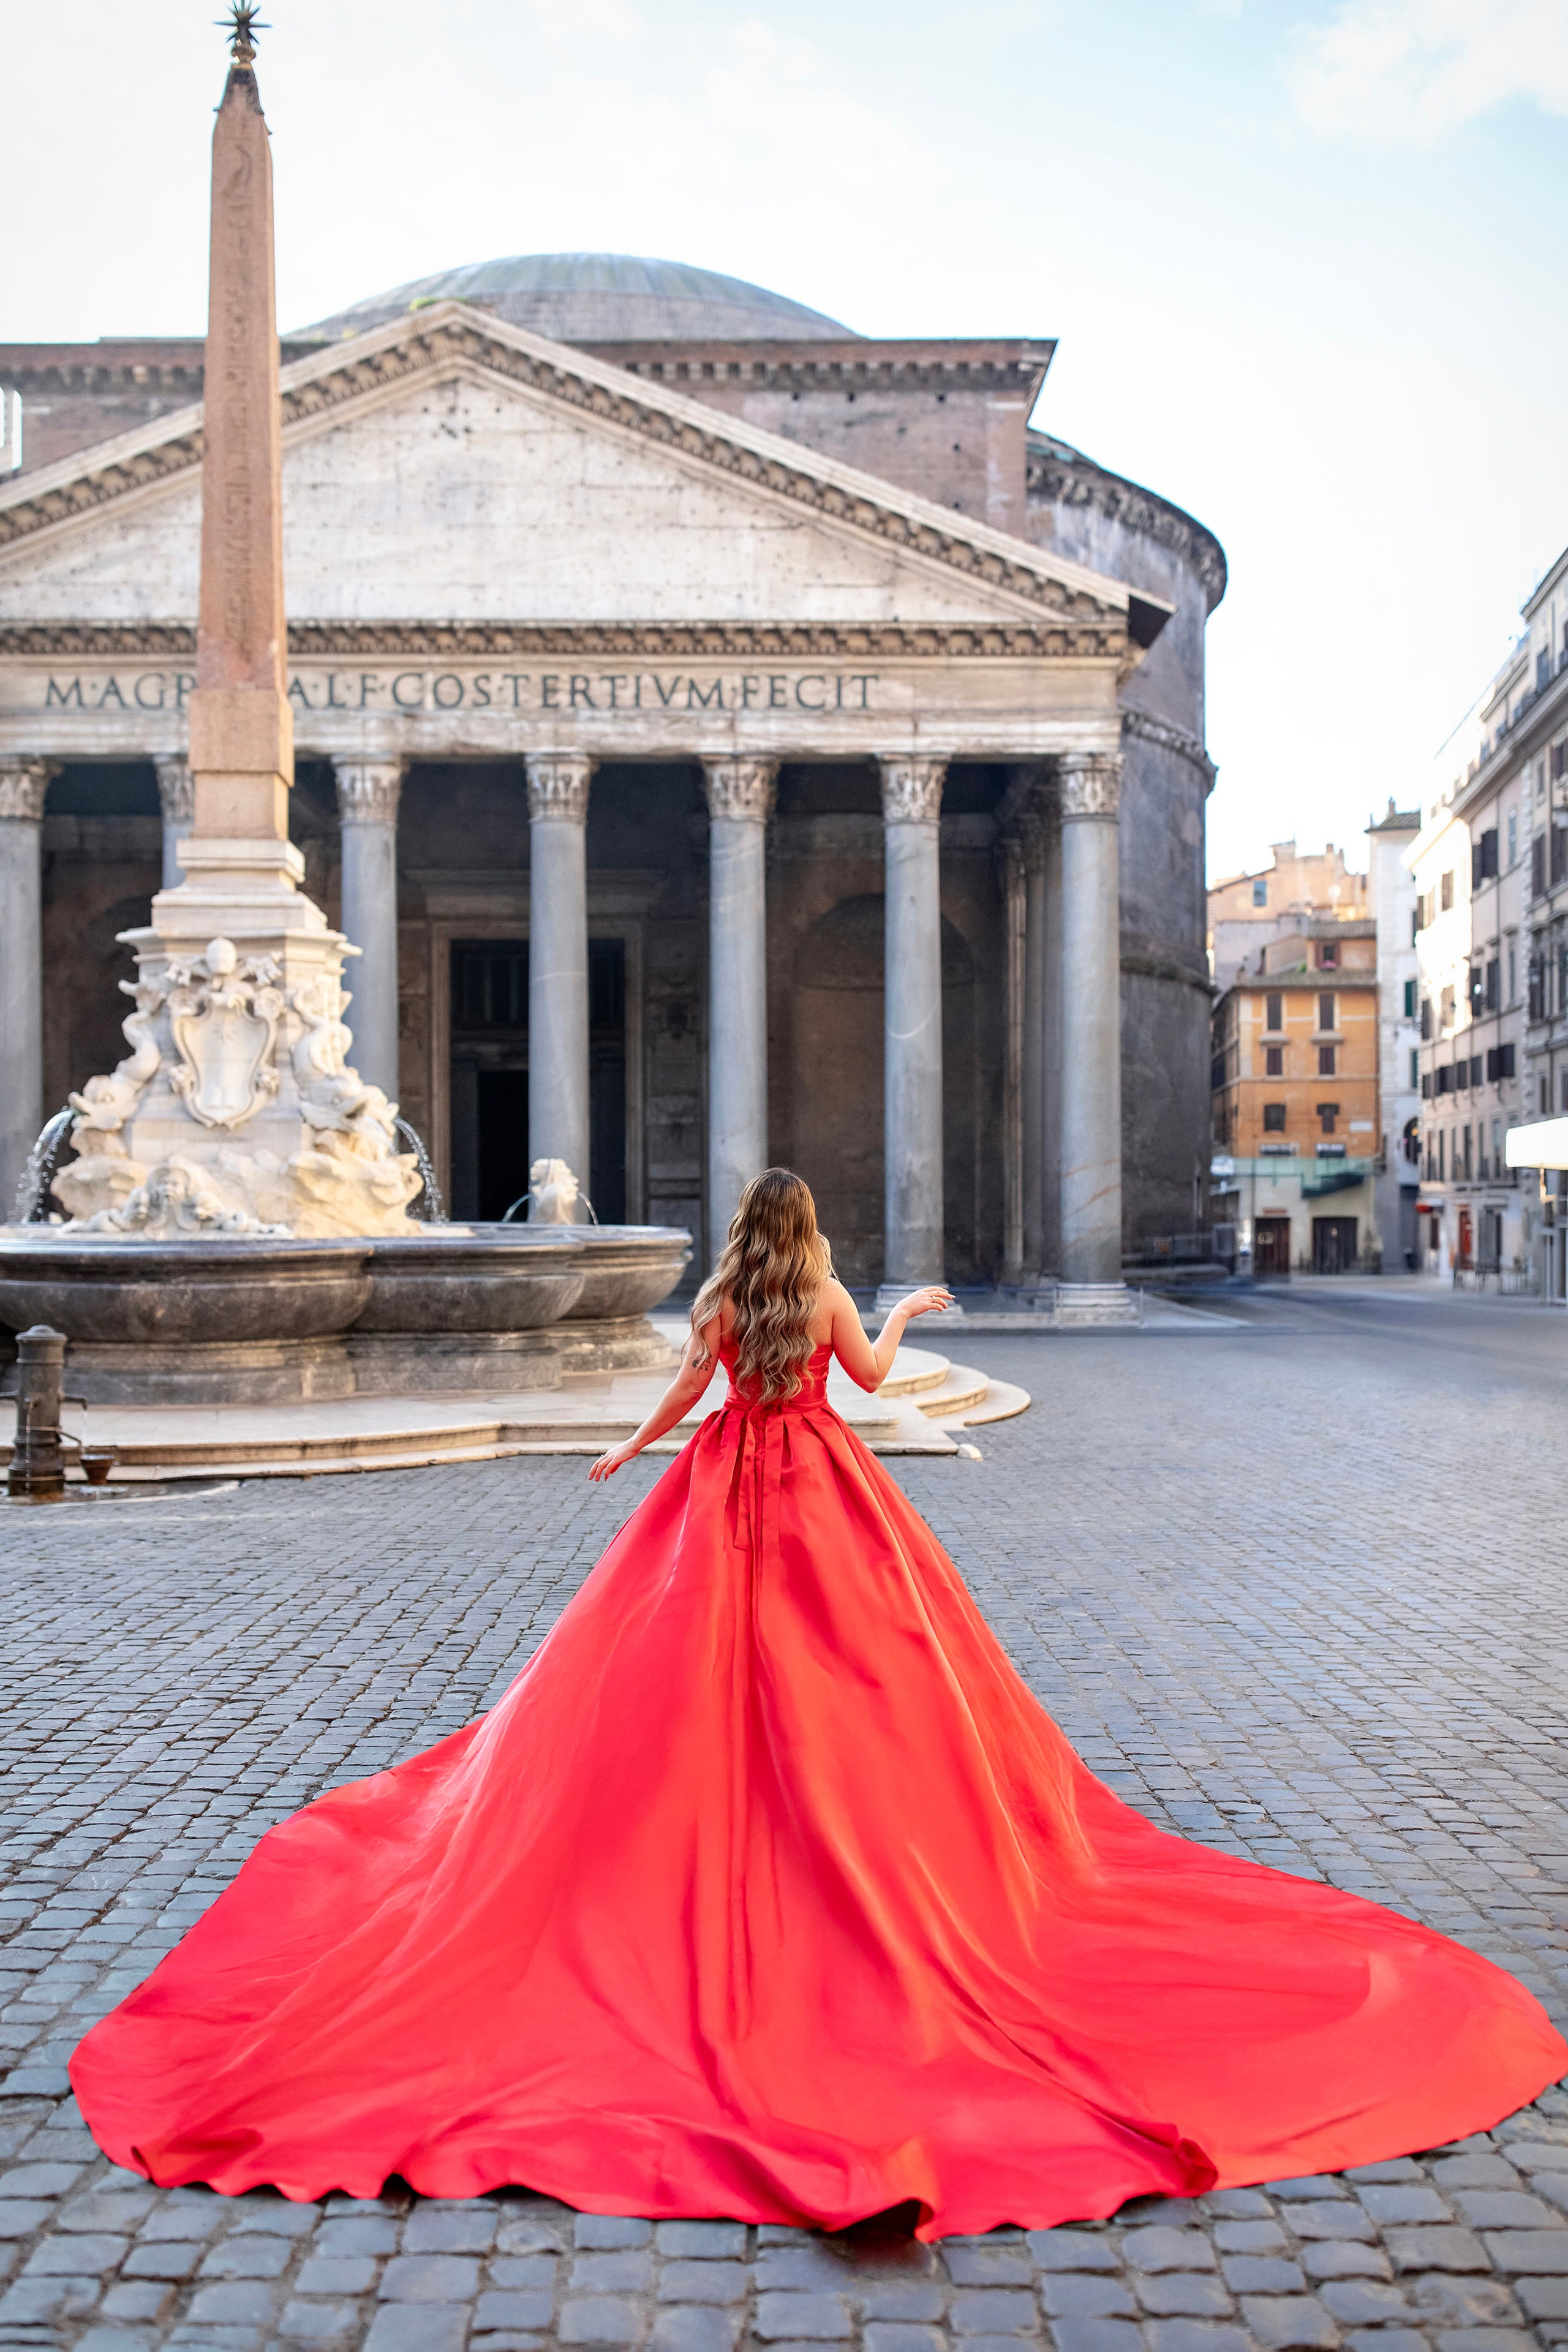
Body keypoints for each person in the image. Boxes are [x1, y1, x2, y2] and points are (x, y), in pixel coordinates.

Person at [71, 1170, 1564, 2237]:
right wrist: (905, 1311)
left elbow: (681, 1398)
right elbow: (859, 1384)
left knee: (679, 1668)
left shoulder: (723, 1299)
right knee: (866, 1670)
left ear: (742, 1235)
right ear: (811, 1236)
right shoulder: (823, 1297)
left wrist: (621, 1457)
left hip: (720, 1491)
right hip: (821, 1494)